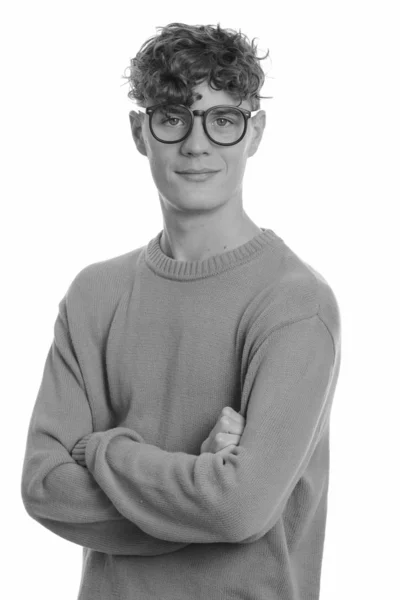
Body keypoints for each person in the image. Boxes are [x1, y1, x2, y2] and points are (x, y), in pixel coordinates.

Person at [20, 22, 341, 600]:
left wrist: (104, 452)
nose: (197, 145)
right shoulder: (94, 296)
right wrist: (199, 485)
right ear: (140, 132)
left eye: (223, 119)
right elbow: (43, 486)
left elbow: (241, 508)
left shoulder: (295, 302)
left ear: (255, 131)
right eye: (172, 117)